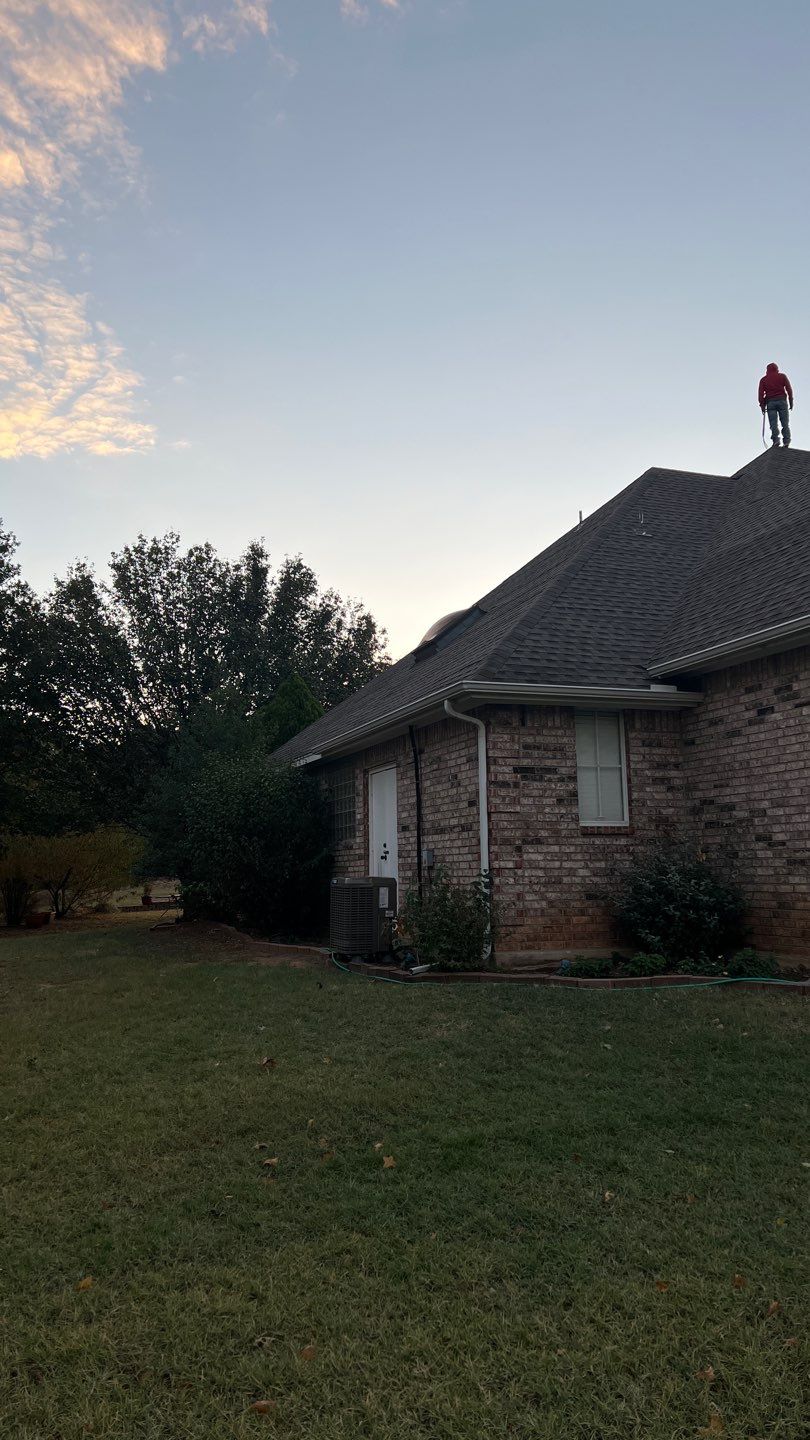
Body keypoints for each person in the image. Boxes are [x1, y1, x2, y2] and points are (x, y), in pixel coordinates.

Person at [758, 362, 794, 448]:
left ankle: (776, 440)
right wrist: (791, 400)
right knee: (785, 423)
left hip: (771, 403)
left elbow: (760, 394)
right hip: (782, 401)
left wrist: (762, 406)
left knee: (773, 423)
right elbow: (789, 389)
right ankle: (786, 441)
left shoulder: (763, 380)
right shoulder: (782, 376)